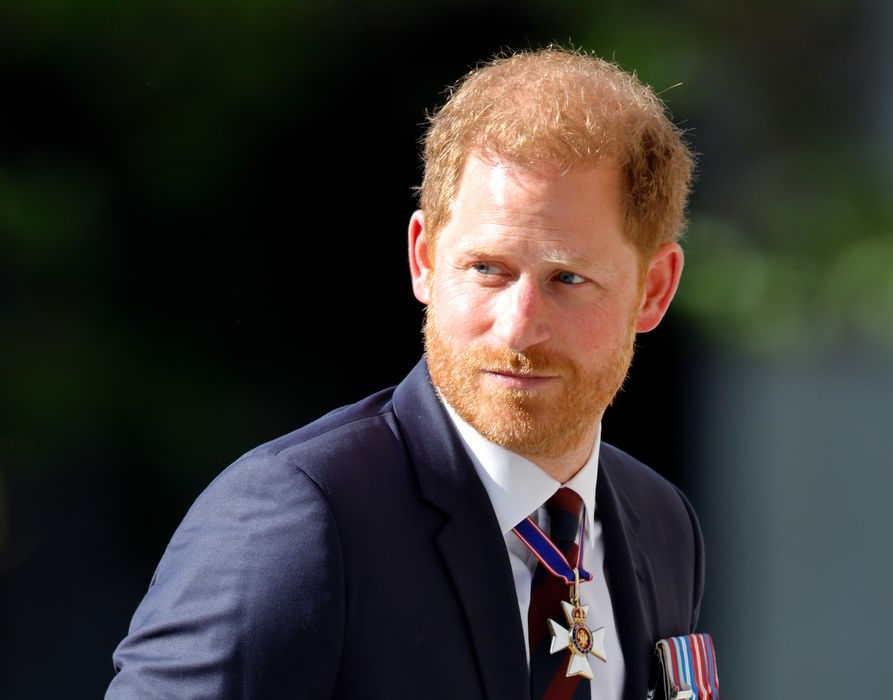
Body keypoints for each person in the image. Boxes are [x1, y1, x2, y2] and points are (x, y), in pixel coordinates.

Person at [106, 47, 704, 700]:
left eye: (567, 278)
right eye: (486, 269)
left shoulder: (660, 523)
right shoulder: (304, 520)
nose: (517, 329)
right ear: (423, 259)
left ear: (653, 289)